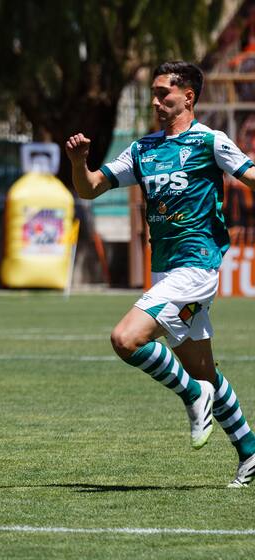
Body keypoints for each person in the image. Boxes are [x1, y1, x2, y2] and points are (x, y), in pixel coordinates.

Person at [65, 61, 255, 488]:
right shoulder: (143, 149)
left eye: (163, 93)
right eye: (153, 93)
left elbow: (249, 175)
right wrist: (79, 162)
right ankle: (250, 451)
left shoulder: (210, 141)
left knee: (125, 338)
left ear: (188, 97)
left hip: (197, 266)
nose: (155, 101)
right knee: (205, 371)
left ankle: (193, 396)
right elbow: (90, 187)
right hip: (166, 272)